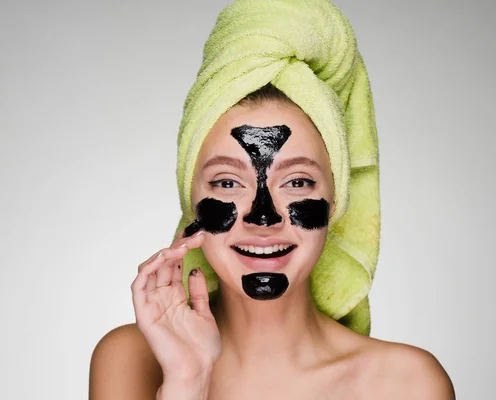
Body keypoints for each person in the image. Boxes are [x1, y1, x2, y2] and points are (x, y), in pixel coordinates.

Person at [89, 1, 455, 399]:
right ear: (192, 203)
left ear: (336, 202)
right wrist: (185, 382)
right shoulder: (130, 358)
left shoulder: (405, 384)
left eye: (297, 182)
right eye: (228, 183)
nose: (263, 218)